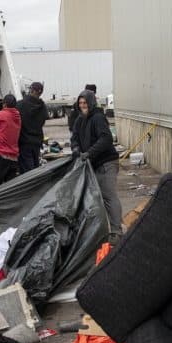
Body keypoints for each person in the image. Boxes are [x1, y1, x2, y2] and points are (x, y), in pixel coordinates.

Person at [71, 89, 123, 245]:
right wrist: (75, 149)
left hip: (107, 163)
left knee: (108, 196)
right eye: (80, 103)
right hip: (92, 164)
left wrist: (89, 153)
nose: (82, 105)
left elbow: (106, 139)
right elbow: (74, 138)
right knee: (94, 199)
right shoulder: (80, 120)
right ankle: (101, 231)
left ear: (91, 102)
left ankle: (116, 232)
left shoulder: (98, 118)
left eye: (85, 103)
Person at [16, 81, 47, 173]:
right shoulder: (43, 107)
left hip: (24, 142)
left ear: (32, 90)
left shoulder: (20, 104)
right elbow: (43, 121)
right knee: (35, 167)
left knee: (27, 172)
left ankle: (31, 186)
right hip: (36, 141)